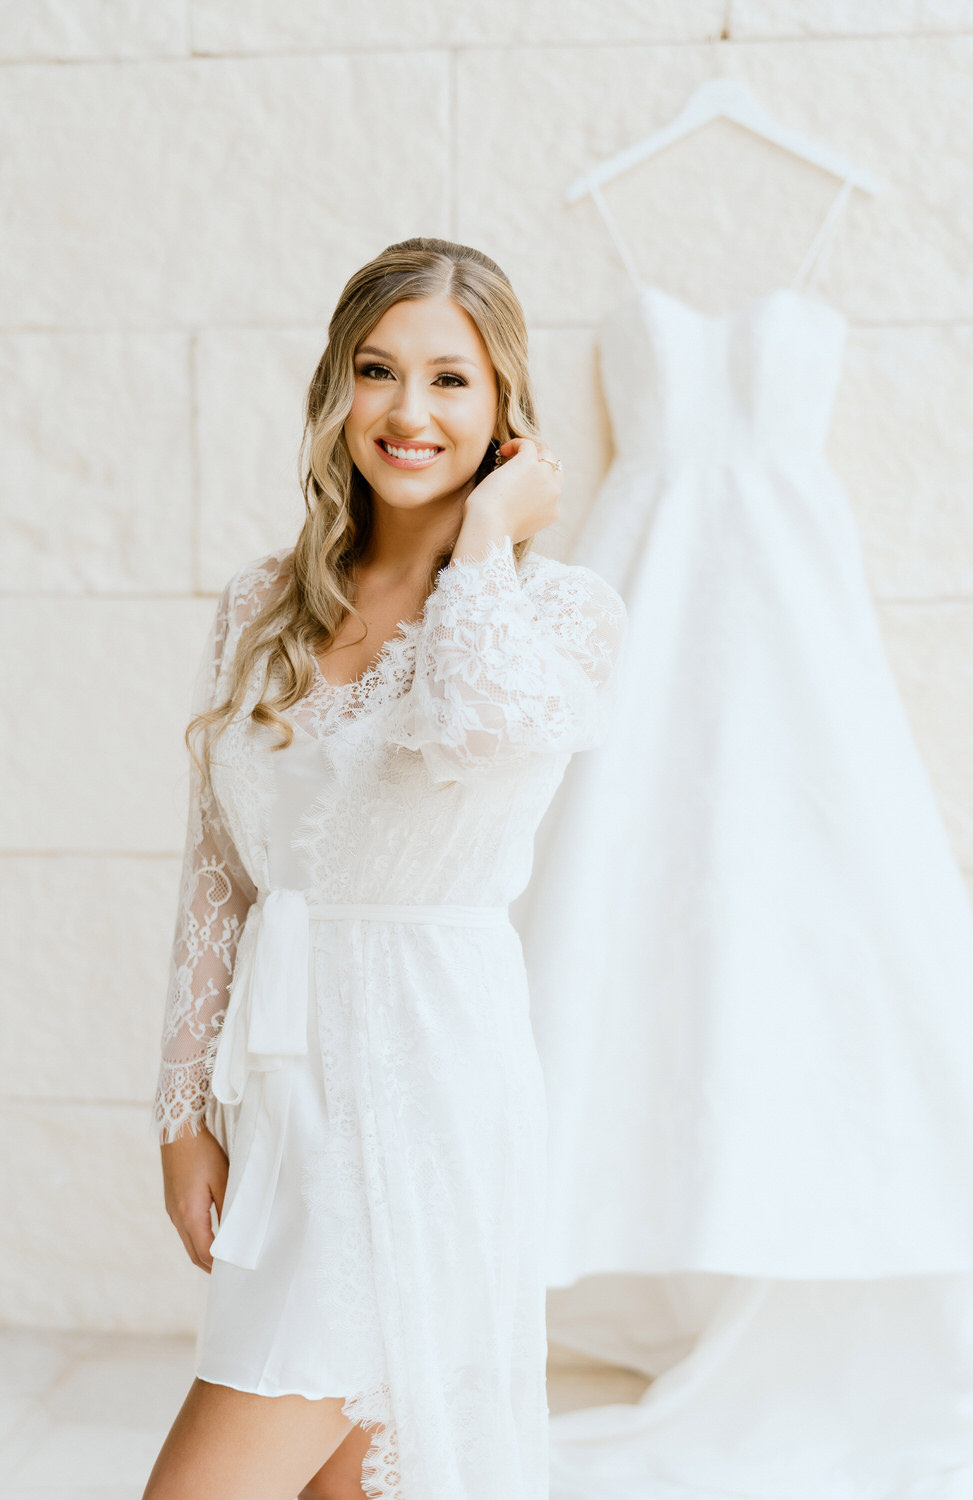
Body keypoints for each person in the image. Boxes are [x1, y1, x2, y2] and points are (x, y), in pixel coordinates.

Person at [142, 236, 628, 1500]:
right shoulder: (261, 606)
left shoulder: (558, 613)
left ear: (504, 407)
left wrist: (483, 544)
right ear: (336, 390)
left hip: (425, 1088)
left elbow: (476, 734)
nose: (409, 411)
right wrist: (182, 1114)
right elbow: (218, 875)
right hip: (286, 1097)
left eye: (449, 379)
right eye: (377, 370)